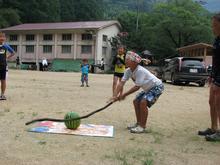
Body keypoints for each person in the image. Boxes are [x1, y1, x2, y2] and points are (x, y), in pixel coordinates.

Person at [110, 51, 164, 133]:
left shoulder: (140, 71)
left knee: (143, 102)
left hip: (157, 86)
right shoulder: (128, 71)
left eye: (128, 59)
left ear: (134, 62)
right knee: (136, 101)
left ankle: (142, 126)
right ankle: (138, 123)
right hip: (148, 89)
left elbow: (137, 87)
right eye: (126, 59)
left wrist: (124, 95)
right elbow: (121, 83)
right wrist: (114, 96)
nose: (126, 60)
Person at [198, 13, 220, 141]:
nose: (213, 27)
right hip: (216, 74)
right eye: (212, 25)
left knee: (219, 103)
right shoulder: (217, 39)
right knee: (212, 101)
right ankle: (213, 128)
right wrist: (212, 75)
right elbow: (216, 60)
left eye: (215, 25)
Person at [0, 32, 15, 100]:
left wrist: (7, 57)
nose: (2, 38)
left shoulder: (6, 46)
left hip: (3, 65)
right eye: (0, 37)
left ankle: (2, 95)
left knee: (3, 80)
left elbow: (13, 52)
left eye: (3, 37)